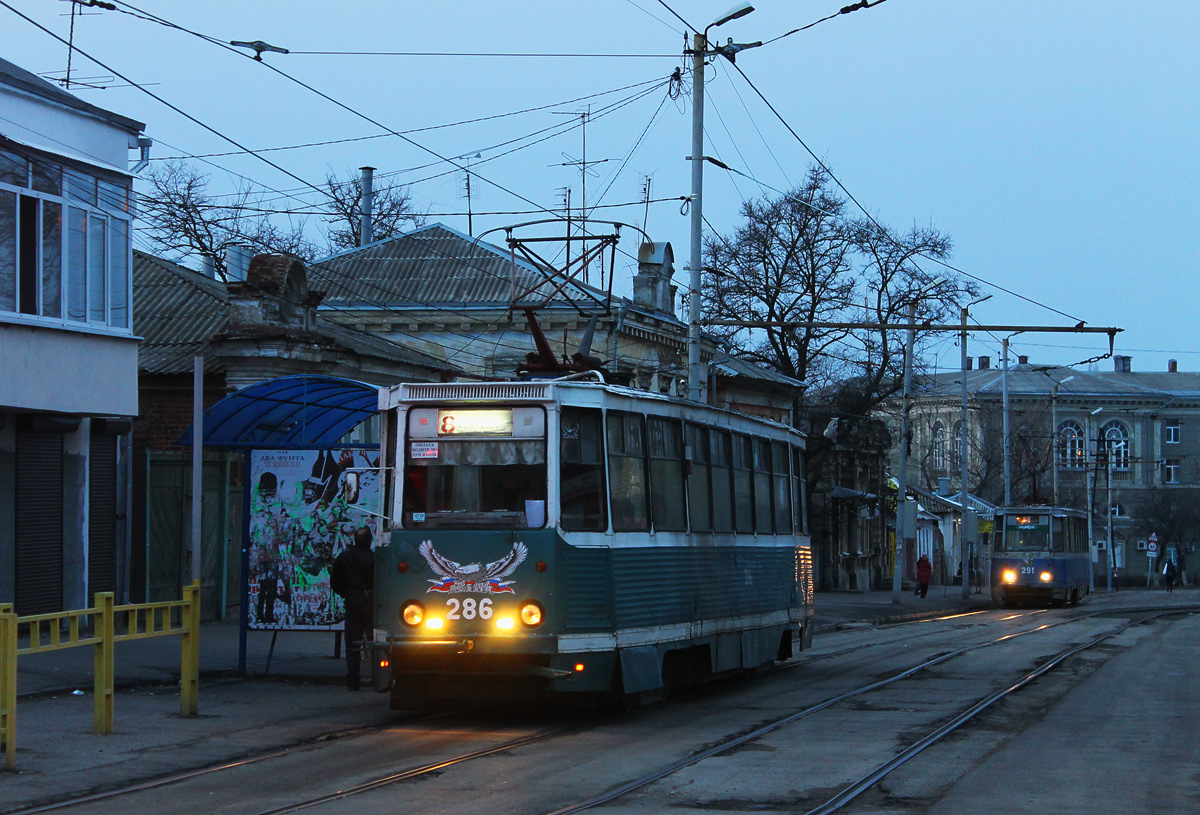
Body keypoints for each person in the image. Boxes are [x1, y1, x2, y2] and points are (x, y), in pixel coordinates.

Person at [330, 526, 375, 690]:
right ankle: (377, 677)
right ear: (369, 540)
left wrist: (346, 594)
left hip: (352, 603)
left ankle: (353, 680)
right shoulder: (375, 558)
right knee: (374, 642)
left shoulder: (344, 557)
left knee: (352, 644)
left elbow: (335, 582)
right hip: (371, 603)